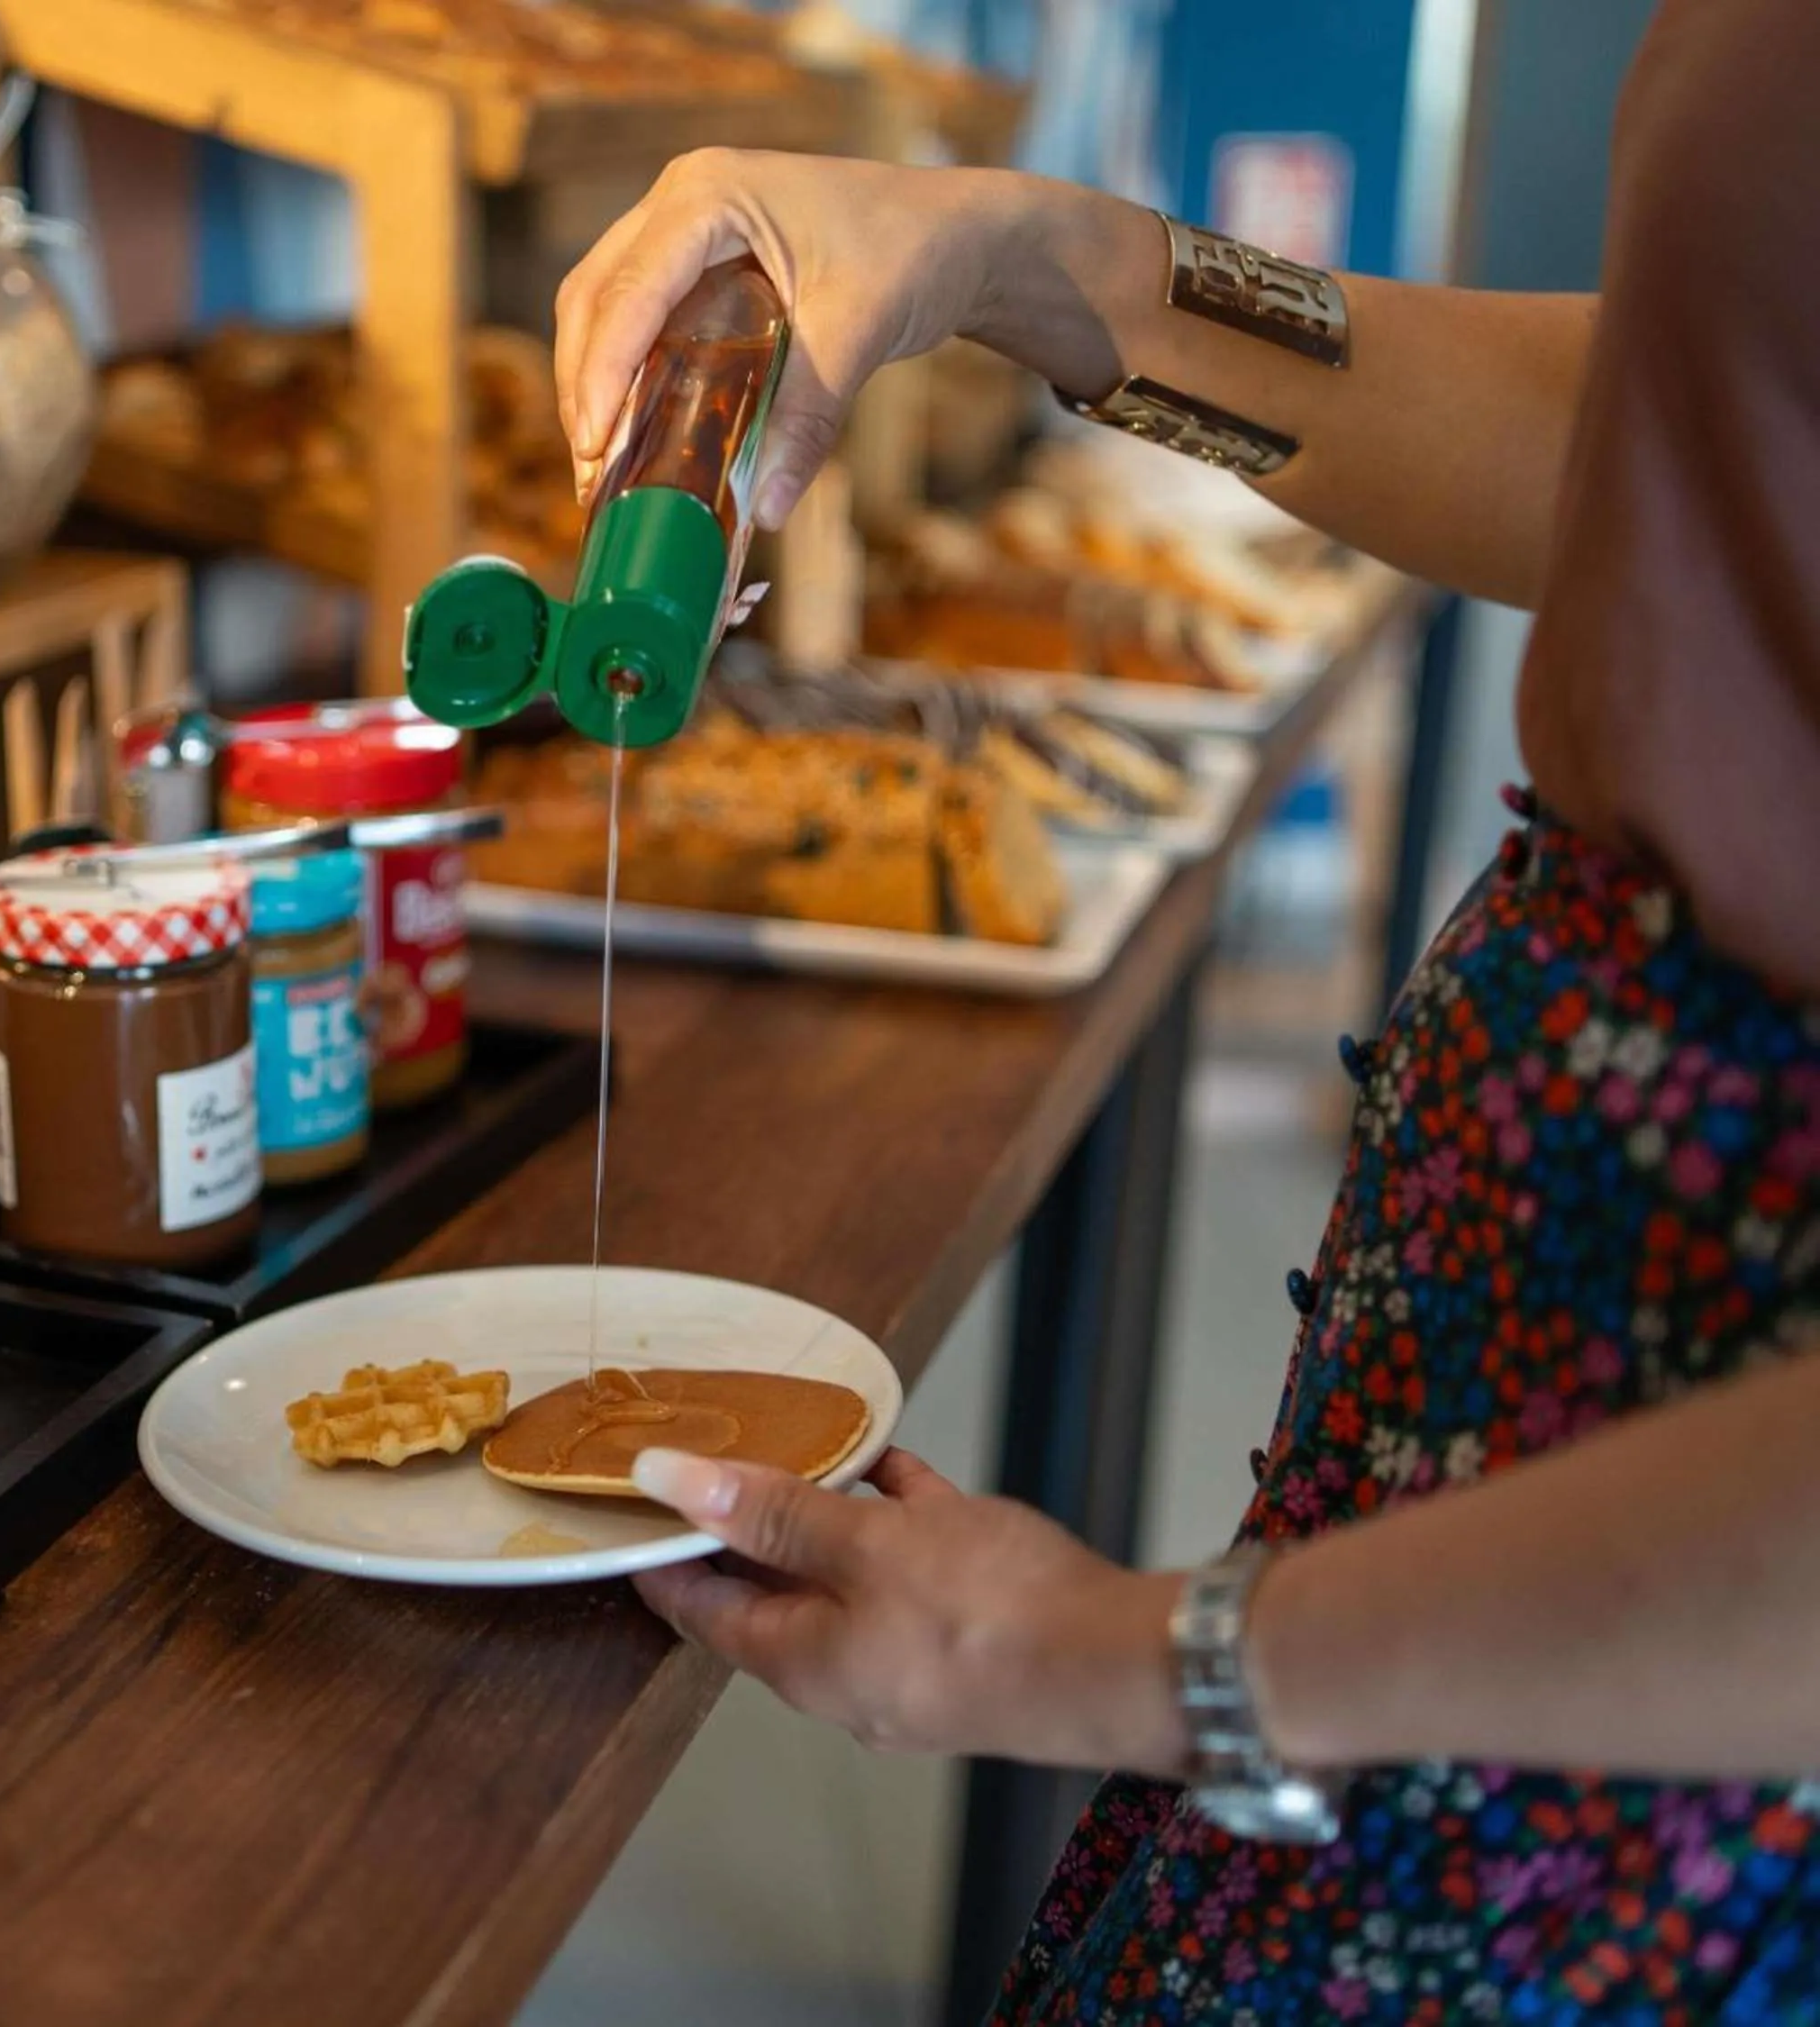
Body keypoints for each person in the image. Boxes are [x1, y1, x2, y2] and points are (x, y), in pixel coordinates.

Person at [561, 1, 1820, 2017]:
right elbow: (1676, 429)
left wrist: (1133, 1664)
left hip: (1667, 1732)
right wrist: (1038, 264)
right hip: (1468, 1538)